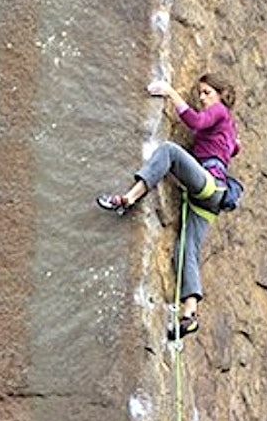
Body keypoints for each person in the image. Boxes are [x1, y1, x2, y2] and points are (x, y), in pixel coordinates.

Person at [97, 73, 240, 340]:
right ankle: (190, 314)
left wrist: (169, 92)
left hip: (210, 185)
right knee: (185, 250)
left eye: (207, 92)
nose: (202, 97)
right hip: (211, 200)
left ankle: (128, 198)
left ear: (221, 95)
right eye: (200, 92)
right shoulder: (229, 125)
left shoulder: (220, 111)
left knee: (169, 151)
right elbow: (234, 149)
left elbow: (196, 121)